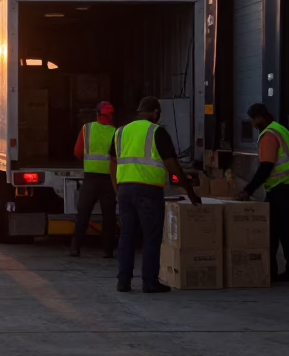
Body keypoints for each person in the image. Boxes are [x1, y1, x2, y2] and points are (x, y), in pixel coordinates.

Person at [110, 96, 201, 293]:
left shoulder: (120, 131)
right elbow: (172, 166)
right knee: (151, 236)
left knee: (126, 236)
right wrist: (190, 192)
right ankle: (149, 282)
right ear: (156, 112)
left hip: (124, 189)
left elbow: (112, 162)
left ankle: (123, 282)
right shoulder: (157, 132)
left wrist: (117, 189)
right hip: (148, 191)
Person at [237, 104, 289, 282]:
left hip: (283, 186)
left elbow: (266, 166)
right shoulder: (279, 129)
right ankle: (274, 270)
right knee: (278, 228)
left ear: (260, 117)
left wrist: (248, 189)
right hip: (288, 185)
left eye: (253, 120)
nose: (253, 124)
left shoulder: (269, 135)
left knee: (283, 229)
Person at [71, 101, 117, 258]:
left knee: (83, 214)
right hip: (108, 180)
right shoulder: (116, 132)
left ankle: (75, 248)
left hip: (90, 179)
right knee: (109, 216)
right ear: (111, 116)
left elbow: (77, 152)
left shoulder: (87, 129)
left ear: (97, 114)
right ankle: (108, 250)